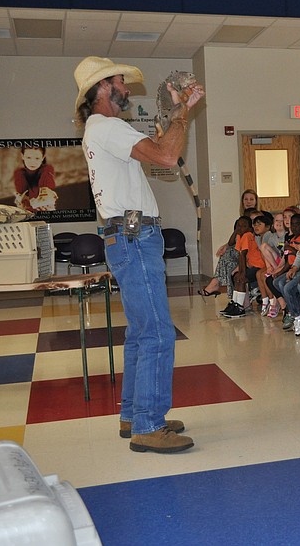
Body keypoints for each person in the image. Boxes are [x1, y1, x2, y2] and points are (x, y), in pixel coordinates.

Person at [74, 56, 203, 453]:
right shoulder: (107, 127)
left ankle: (135, 414)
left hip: (126, 236)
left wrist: (180, 110)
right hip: (133, 237)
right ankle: (148, 424)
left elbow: (161, 152)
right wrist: (183, 113)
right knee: (157, 332)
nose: (127, 89)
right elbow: (167, 156)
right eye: (120, 82)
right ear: (101, 89)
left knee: (140, 332)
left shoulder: (103, 130)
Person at [221, 216, 264, 318]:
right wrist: (240, 272)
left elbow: (243, 255)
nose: (240, 228)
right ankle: (235, 303)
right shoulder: (240, 236)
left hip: (258, 265)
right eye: (239, 226)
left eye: (244, 226)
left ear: (250, 228)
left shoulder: (247, 235)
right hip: (251, 265)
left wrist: (243, 273)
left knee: (241, 279)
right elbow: (240, 255)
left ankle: (240, 307)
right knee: (237, 278)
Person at [14, 146, 57, 212]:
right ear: (22, 156)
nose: (32, 162)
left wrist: (44, 200)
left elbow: (46, 190)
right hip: (27, 212)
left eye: (37, 158)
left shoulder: (47, 169)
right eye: (28, 157)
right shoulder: (19, 173)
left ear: (43, 158)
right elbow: (22, 195)